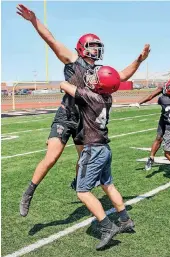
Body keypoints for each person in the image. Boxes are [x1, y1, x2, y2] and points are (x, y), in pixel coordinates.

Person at [17, 4, 150, 217]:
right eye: (92, 45)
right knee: (52, 157)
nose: (96, 49)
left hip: (85, 121)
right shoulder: (72, 60)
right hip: (66, 115)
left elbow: (122, 75)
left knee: (83, 161)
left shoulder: (100, 71)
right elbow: (51, 40)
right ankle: (29, 192)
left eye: (98, 45)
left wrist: (139, 60)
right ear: (82, 47)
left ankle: (80, 184)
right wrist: (34, 21)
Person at [60, 66, 135, 250]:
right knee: (108, 185)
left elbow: (65, 85)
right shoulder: (107, 97)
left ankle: (107, 227)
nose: (92, 79)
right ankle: (125, 220)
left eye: (96, 78)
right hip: (104, 148)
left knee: (82, 191)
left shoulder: (91, 97)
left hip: (93, 150)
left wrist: (66, 81)